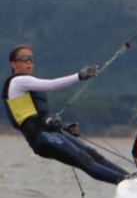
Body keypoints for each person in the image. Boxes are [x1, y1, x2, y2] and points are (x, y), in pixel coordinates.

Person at [2, 44, 130, 185]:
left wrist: (64, 127)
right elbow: (51, 85)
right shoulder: (17, 81)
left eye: (31, 59)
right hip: (41, 138)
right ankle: (125, 182)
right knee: (84, 160)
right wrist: (79, 76)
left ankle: (131, 179)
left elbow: (40, 115)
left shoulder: (29, 84)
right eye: (24, 58)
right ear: (13, 64)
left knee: (93, 154)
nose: (29, 62)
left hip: (50, 132)